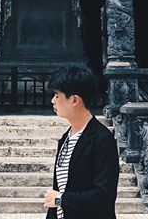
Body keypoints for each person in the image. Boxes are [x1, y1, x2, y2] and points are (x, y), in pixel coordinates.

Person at [43, 64, 118, 219]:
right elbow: (58, 191)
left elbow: (104, 196)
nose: (52, 101)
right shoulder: (65, 139)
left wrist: (61, 200)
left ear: (74, 100)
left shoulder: (102, 139)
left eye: (57, 95)